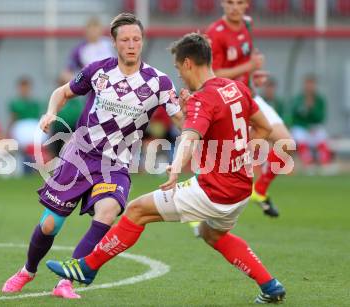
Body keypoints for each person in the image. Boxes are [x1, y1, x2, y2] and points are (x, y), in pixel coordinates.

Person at [46, 33, 286, 304]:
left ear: (187, 64)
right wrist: (239, 155)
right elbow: (264, 128)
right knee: (212, 233)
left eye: (177, 68)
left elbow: (190, 137)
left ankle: (86, 267)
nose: (180, 76)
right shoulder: (235, 89)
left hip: (212, 191)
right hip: (241, 190)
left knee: (136, 211)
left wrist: (175, 169)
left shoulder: (203, 99)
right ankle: (270, 285)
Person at [2, 13, 183, 299]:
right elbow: (62, 93)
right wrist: (51, 112)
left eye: (136, 39)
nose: (132, 44)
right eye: (125, 40)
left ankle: (67, 282)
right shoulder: (97, 71)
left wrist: (193, 132)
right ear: (114, 43)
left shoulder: (159, 82)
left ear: (143, 41)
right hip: (79, 155)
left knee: (108, 211)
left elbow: (184, 121)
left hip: (116, 164)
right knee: (50, 224)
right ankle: (27, 270)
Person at [204, 0, 294, 218]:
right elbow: (212, 73)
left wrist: (254, 76)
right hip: (227, 99)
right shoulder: (215, 33)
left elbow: (248, 60)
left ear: (247, 5)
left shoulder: (248, 24)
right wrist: (248, 67)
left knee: (287, 144)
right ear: (222, 4)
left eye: (240, 2)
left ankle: (259, 191)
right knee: (220, 157)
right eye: (230, 2)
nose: (235, 7)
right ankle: (203, 204)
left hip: (250, 95)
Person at [291, 74, 332, 171]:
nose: (310, 86)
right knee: (299, 136)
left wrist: (312, 108)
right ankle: (308, 163)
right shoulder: (298, 99)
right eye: (308, 84)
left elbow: (321, 117)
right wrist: (306, 126)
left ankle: (325, 163)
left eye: (312, 84)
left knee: (322, 135)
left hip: (314, 128)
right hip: (302, 128)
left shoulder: (320, 100)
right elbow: (294, 118)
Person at [59, 16, 115, 83]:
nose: (93, 32)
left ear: (101, 30)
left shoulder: (110, 44)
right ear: (86, 31)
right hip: (92, 84)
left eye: (96, 29)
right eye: (91, 30)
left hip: (113, 79)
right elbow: (68, 71)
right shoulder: (80, 49)